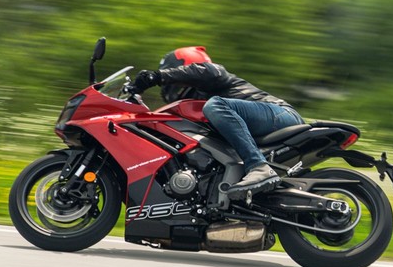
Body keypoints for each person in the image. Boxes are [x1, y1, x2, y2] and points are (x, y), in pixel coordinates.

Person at [130, 46, 304, 192]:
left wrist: (157, 76)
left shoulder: (212, 74)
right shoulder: (197, 104)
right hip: (268, 123)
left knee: (214, 105)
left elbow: (205, 71)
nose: (168, 85)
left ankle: (258, 166)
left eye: (173, 73)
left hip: (281, 114)